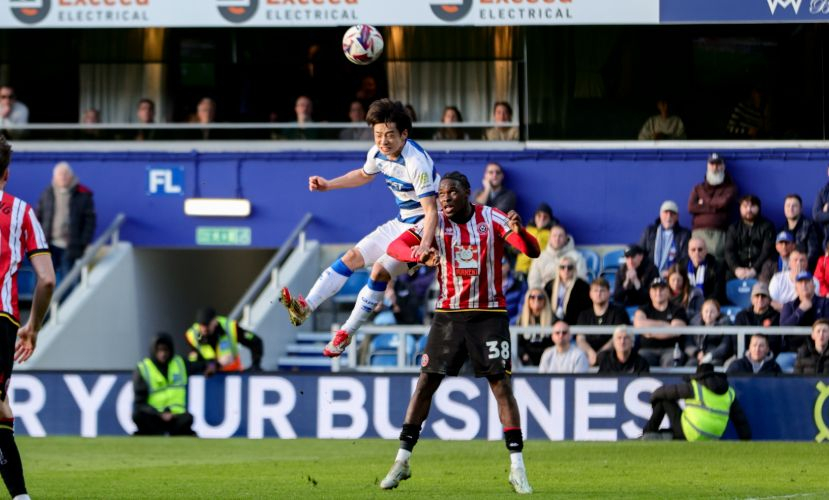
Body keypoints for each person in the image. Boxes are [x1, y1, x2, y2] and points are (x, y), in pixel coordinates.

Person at [382, 171, 539, 494]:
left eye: (451, 192)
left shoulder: (492, 218)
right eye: (440, 194)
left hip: (489, 315)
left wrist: (520, 232)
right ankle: (402, 460)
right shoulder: (435, 223)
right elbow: (396, 246)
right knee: (425, 384)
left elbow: (532, 251)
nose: (444, 199)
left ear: (468, 192)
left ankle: (517, 468)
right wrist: (416, 254)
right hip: (448, 316)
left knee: (501, 386)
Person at [279, 99, 440, 358]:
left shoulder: (415, 162)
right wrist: (328, 184)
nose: (383, 141)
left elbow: (431, 211)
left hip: (427, 226)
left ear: (404, 134)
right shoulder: (377, 153)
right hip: (403, 221)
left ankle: (345, 334)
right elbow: (364, 175)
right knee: (351, 257)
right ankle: (304, 308)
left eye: (389, 135)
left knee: (378, 271)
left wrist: (423, 246)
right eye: (378, 135)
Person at [0, 136, 56, 500]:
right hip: (2, 320)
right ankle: (20, 495)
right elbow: (47, 279)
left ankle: (20, 495)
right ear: (5, 173)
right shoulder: (20, 211)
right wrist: (33, 326)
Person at [642, 364, 751, 441]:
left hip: (691, 433)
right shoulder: (729, 392)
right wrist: (746, 441)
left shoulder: (695, 387)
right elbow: (740, 420)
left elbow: (663, 392)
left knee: (663, 398)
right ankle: (665, 434)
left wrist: (653, 400)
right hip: (713, 437)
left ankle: (648, 433)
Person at [35, 161, 97, 278]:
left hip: (71, 246)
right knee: (44, 279)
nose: (63, 177)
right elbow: (38, 217)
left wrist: (83, 242)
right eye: (60, 174)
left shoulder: (83, 194)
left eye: (65, 174)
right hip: (49, 245)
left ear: (71, 176)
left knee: (68, 280)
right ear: (54, 177)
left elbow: (89, 222)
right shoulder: (47, 193)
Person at [132, 333, 196, 436]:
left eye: (165, 350)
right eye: (159, 350)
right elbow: (140, 403)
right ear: (154, 351)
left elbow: (201, 365)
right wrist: (159, 414)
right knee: (138, 416)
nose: (163, 354)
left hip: (175, 416)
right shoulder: (143, 368)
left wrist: (212, 365)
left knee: (188, 418)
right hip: (154, 416)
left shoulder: (180, 363)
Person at [687, 153, 738, 261]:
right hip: (698, 232)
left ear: (723, 167)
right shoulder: (698, 188)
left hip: (718, 234)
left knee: (717, 263)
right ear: (708, 166)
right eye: (712, 164)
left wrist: (703, 202)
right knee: (698, 262)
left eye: (718, 164)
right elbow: (691, 207)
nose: (715, 168)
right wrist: (715, 208)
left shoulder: (730, 188)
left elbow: (723, 203)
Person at [184, 307, 263, 375]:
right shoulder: (192, 335)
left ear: (215, 321)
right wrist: (208, 366)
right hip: (209, 378)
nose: (203, 329)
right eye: (201, 325)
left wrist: (255, 366)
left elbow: (255, 341)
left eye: (207, 325)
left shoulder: (230, 327)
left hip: (233, 375)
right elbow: (195, 360)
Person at [633, 277, 688, 367]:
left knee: (671, 362)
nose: (658, 292)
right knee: (641, 361)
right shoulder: (643, 309)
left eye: (662, 289)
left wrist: (650, 331)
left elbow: (676, 331)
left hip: (671, 350)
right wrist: (666, 325)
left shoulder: (678, 309)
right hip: (647, 350)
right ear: (650, 292)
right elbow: (639, 325)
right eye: (655, 290)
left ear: (668, 291)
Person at [576, 277, 631, 366]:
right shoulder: (584, 314)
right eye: (595, 291)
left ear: (609, 293)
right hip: (588, 355)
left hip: (612, 353)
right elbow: (580, 339)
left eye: (602, 291)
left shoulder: (619, 312)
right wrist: (590, 352)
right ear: (590, 294)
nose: (598, 294)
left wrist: (600, 354)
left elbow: (619, 338)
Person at [724, 194, 776, 282]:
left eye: (752, 206)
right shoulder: (733, 228)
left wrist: (754, 269)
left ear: (758, 208)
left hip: (760, 269)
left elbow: (766, 251)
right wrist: (736, 269)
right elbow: (729, 251)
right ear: (740, 208)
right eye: (745, 206)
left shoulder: (767, 226)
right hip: (738, 270)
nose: (749, 210)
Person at [639, 200, 691, 277]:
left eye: (672, 213)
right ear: (660, 215)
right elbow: (640, 253)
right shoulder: (650, 231)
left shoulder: (684, 234)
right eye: (666, 212)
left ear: (677, 217)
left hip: (672, 276)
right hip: (650, 275)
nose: (669, 216)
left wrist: (672, 271)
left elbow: (685, 258)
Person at [527, 224, 587, 290]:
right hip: (544, 293)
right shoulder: (540, 257)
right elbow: (533, 281)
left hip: (569, 292)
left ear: (566, 238)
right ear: (549, 238)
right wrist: (541, 294)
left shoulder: (576, 257)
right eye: (554, 236)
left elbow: (581, 279)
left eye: (560, 236)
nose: (557, 239)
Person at [733, 282, 782, 357]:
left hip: (769, 357)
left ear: (769, 299)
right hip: (745, 356)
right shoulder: (742, 316)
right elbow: (737, 342)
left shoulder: (776, 316)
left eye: (763, 296)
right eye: (757, 296)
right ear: (752, 299)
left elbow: (775, 342)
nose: (760, 299)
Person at [514, 203, 556, 281]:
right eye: (539, 215)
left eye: (545, 217)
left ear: (550, 219)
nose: (542, 219)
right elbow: (514, 247)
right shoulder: (526, 229)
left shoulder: (552, 233)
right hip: (520, 271)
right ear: (535, 217)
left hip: (539, 273)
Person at [677, 237, 723, 306]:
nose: (697, 253)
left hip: (708, 305)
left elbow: (718, 293)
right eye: (693, 250)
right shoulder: (682, 265)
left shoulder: (716, 266)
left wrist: (701, 304)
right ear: (688, 252)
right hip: (686, 304)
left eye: (700, 249)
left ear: (706, 251)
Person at [688, 299, 732, 367]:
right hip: (696, 357)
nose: (708, 315)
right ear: (701, 312)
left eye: (712, 312)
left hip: (715, 357)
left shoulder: (724, 325)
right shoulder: (694, 324)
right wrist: (696, 353)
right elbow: (688, 343)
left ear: (718, 313)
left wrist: (710, 355)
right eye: (706, 311)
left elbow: (724, 345)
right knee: (689, 366)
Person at [515, 288, 554, 366]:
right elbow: (518, 342)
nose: (536, 299)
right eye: (532, 297)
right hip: (526, 359)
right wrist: (523, 354)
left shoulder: (553, 319)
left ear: (545, 300)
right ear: (528, 300)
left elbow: (555, 342)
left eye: (540, 297)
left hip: (548, 359)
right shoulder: (522, 319)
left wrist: (549, 354)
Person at [782, 194, 821, 271]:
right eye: (788, 206)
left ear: (801, 209)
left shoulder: (810, 226)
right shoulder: (782, 231)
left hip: (806, 270)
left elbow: (813, 253)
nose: (791, 209)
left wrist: (800, 266)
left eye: (794, 206)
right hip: (787, 270)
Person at [549, 255, 591, 324]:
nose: (566, 270)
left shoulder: (582, 286)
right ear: (558, 269)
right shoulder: (550, 285)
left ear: (574, 269)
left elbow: (585, 309)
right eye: (562, 267)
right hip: (552, 324)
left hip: (574, 324)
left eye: (570, 267)